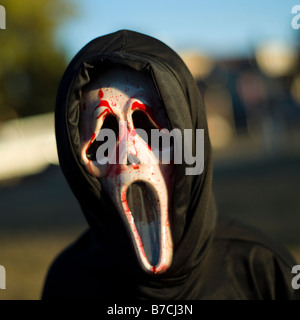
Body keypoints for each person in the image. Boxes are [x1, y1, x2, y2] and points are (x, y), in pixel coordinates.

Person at [42, 30, 299, 300]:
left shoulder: (260, 271)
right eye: (104, 134)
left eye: (147, 128)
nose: (129, 153)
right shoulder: (69, 281)